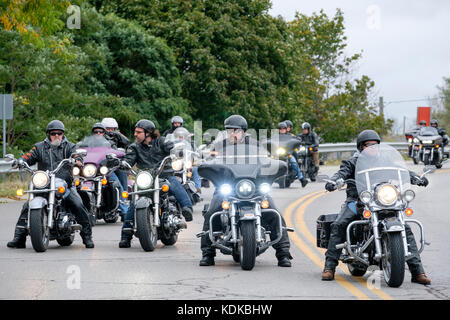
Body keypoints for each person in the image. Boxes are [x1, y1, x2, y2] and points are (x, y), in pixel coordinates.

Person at [321, 129, 431, 285]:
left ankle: (418, 272)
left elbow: (401, 170)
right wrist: (334, 181)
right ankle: (329, 267)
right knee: (340, 224)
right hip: (358, 200)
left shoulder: (385, 160)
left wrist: (415, 177)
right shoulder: (353, 161)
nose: (372, 148)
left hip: (383, 199)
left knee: (405, 228)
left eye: (375, 145)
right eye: (368, 145)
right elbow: (342, 172)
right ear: (361, 147)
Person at [198, 115, 293, 267]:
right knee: (211, 213)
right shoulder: (220, 146)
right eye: (229, 130)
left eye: (235, 130)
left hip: (254, 188)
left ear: (243, 131)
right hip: (227, 188)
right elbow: (210, 161)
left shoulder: (255, 145)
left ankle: (283, 254)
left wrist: (273, 166)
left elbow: (266, 162)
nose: (232, 133)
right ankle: (207, 254)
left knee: (275, 214)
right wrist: (207, 167)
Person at [7, 120, 94, 249]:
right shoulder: (39, 147)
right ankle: (19, 237)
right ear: (48, 134)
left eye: (59, 133)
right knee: (27, 205)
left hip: (66, 184)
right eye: (54, 133)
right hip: (45, 184)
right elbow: (29, 156)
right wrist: (20, 161)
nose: (57, 136)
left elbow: (76, 155)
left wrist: (77, 160)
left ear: (63, 134)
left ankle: (87, 237)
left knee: (77, 204)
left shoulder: (69, 146)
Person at [118, 119, 194, 248]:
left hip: (164, 174)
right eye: (135, 132)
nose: (135, 134)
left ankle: (187, 208)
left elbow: (172, 148)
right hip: (145, 178)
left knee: (175, 184)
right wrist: (121, 163)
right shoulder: (134, 147)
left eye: (138, 132)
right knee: (134, 202)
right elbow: (129, 160)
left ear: (148, 133)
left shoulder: (162, 141)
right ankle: (126, 235)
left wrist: (176, 152)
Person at [278, 122, 308, 187]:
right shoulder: (275, 136)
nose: (282, 130)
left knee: (294, 162)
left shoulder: (290, 136)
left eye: (283, 128)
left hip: (287, 154)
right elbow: (270, 140)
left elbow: (297, 139)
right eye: (280, 128)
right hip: (277, 154)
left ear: (286, 129)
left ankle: (302, 179)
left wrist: (298, 140)